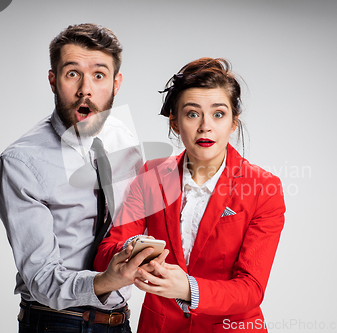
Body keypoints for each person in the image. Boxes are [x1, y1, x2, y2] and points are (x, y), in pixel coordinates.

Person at [94, 58, 286, 332]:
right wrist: (134, 250)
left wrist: (188, 288)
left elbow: (251, 289)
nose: (205, 126)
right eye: (192, 114)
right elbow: (105, 255)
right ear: (174, 122)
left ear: (233, 123)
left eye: (218, 114)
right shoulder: (152, 177)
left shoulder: (263, 188)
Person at [0, 23, 163, 333]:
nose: (86, 88)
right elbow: (41, 278)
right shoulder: (21, 161)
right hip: (56, 322)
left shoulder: (122, 138)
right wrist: (108, 279)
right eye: (73, 73)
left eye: (99, 75)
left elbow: (129, 223)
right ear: (53, 80)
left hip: (120, 321)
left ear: (116, 83)